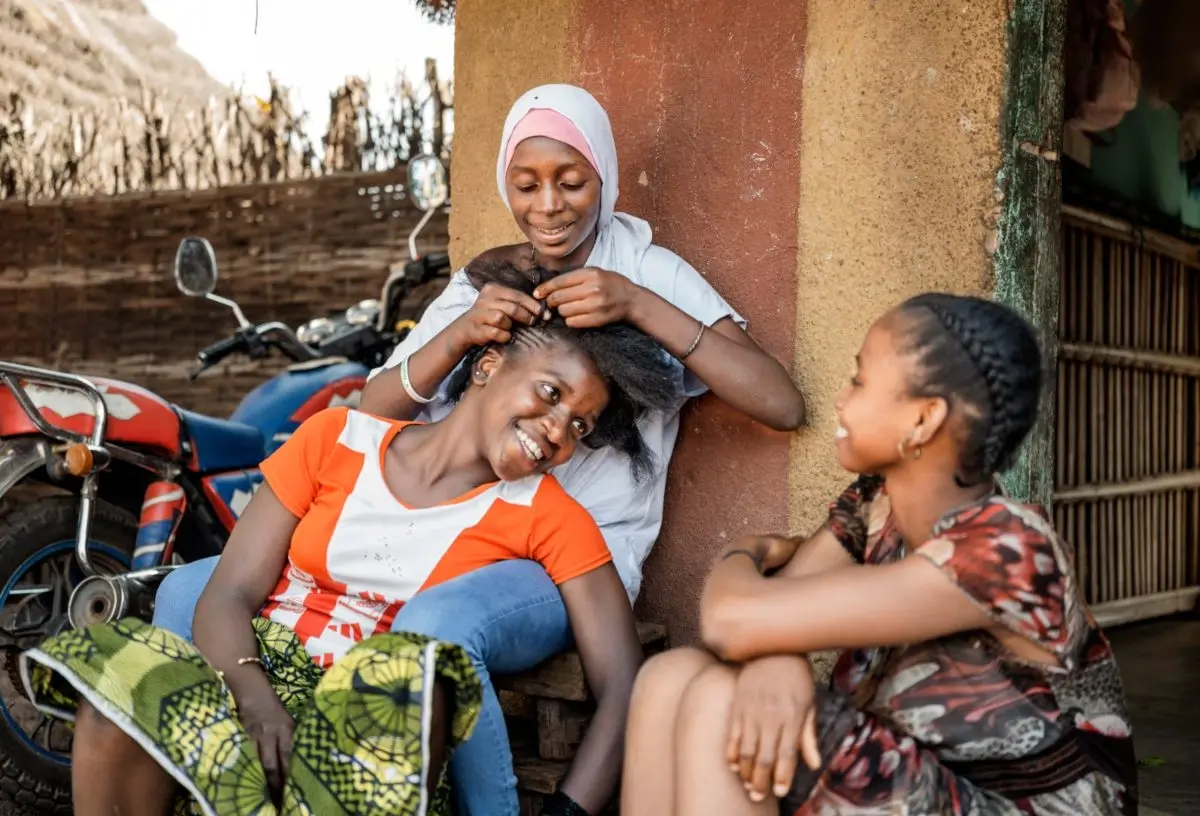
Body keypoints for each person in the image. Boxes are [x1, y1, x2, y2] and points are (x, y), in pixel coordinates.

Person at [150, 83, 806, 814]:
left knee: (439, 626)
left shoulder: (649, 271)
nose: (548, 206)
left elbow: (781, 403)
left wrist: (638, 306)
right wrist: (458, 333)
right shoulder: (491, 277)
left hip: (559, 564)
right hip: (441, 530)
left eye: (572, 181)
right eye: (526, 186)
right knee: (186, 589)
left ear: (605, 179)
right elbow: (371, 418)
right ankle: (225, 786)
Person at [20, 271, 680, 816]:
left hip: (372, 729)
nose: (557, 430)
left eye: (579, 424)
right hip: (260, 680)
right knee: (118, 688)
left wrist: (568, 812)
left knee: (405, 672)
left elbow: (622, 682)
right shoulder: (337, 439)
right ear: (485, 366)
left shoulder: (550, 516)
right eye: (549, 393)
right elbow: (229, 592)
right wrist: (258, 704)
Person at [621, 293, 1138, 816]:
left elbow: (733, 619)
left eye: (860, 381)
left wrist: (742, 550)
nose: (842, 401)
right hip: (919, 783)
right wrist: (780, 659)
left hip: (1012, 807)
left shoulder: (1009, 547)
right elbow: (772, 612)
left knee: (722, 703)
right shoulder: (875, 504)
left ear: (924, 419)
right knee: (672, 677)